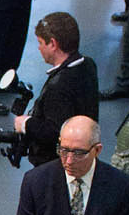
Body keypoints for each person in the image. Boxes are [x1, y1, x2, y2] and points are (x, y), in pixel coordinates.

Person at [14, 12, 98, 167]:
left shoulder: (58, 87)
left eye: (40, 43)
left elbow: (54, 132)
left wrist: (26, 123)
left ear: (53, 44)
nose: (39, 48)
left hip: (54, 166)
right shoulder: (88, 65)